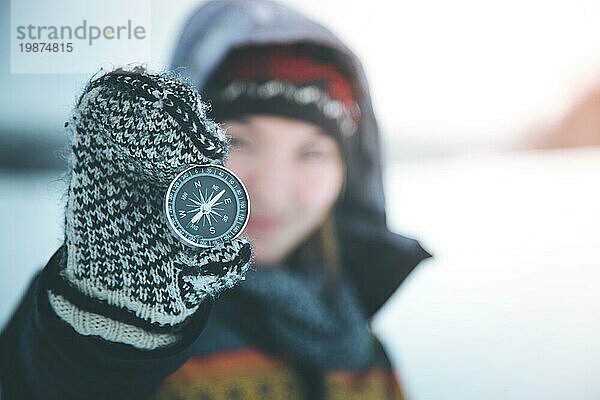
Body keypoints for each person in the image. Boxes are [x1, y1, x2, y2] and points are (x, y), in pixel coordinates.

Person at [0, 0, 430, 399]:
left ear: (348, 174)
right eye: (238, 141)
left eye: (312, 153)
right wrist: (109, 333)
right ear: (182, 150)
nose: (273, 191)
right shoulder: (103, 310)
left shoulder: (357, 336)